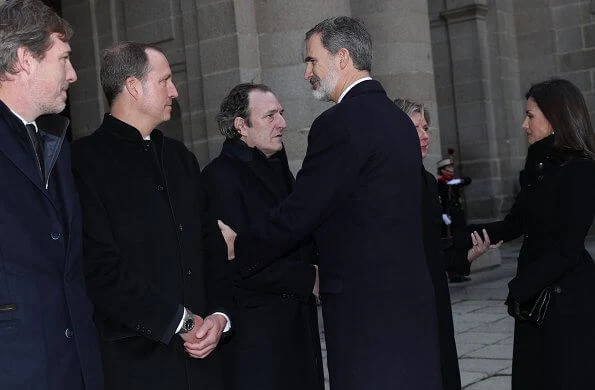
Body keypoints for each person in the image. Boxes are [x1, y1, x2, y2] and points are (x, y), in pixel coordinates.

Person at [218, 17, 443, 390]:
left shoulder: (338, 123)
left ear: (341, 58)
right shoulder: (399, 121)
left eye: (311, 60)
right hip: (410, 297)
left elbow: (302, 211)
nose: (307, 72)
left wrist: (239, 246)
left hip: (364, 306)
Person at [71, 42, 229, 390]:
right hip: (136, 365)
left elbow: (211, 248)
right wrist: (182, 323)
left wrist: (219, 316)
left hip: (203, 363)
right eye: (165, 80)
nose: (174, 90)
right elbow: (99, 268)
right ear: (133, 86)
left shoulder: (180, 158)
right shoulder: (84, 162)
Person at [466, 78, 595, 389]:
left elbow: (568, 246)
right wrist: (455, 243)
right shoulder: (538, 167)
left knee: (564, 377)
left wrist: (522, 286)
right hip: (535, 295)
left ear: (555, 117)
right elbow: (513, 224)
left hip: (565, 299)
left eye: (530, 115)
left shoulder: (581, 170)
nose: (524, 124)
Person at [0, 1, 103, 389]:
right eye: (64, 59)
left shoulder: (54, 143)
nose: (74, 75)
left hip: (74, 368)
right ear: (26, 59)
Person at [202, 83, 324, 390]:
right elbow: (234, 260)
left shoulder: (278, 169)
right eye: (270, 116)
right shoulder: (219, 177)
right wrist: (308, 278)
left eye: (281, 113)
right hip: (258, 339)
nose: (282, 123)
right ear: (241, 126)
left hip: (297, 327)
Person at [395, 98, 500, 390]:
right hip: (403, 300)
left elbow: (431, 247)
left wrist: (466, 255)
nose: (425, 134)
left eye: (426, 127)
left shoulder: (428, 181)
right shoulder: (386, 182)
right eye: (415, 128)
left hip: (434, 294)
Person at [436, 156, 473, 282]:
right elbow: (440, 204)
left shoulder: (452, 181)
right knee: (450, 246)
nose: (452, 169)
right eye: (448, 167)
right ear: (442, 170)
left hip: (458, 218)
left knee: (460, 244)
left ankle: (458, 271)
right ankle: (452, 273)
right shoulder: (440, 183)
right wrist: (445, 219)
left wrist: (454, 182)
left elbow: (468, 180)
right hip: (448, 220)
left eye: (452, 167)